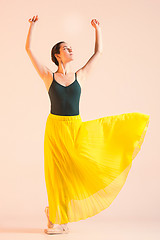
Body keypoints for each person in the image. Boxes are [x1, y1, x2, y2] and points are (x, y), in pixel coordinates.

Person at [25, 15, 150, 235]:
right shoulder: (48, 76)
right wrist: (32, 26)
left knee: (75, 170)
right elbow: (28, 49)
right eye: (66, 48)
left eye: (71, 47)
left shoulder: (79, 76)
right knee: (56, 174)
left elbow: (98, 52)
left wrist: (97, 29)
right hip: (55, 128)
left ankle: (57, 216)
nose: (71, 50)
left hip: (75, 128)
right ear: (57, 54)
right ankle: (56, 219)